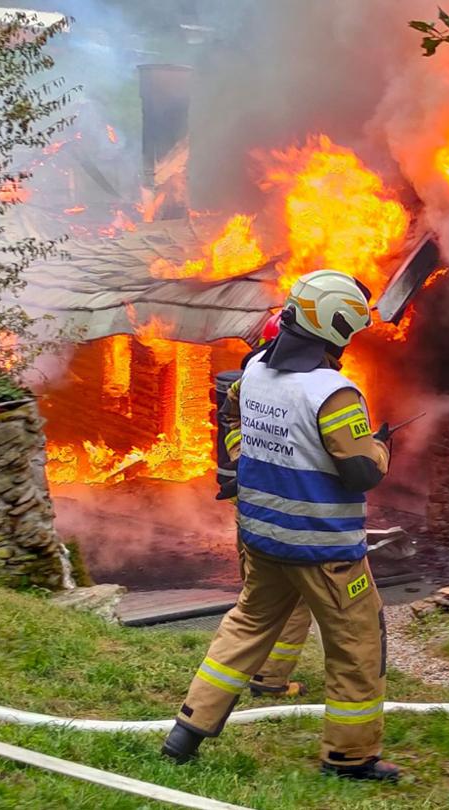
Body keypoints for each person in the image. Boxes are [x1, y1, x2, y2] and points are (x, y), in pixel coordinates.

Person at [164, 269, 399, 781]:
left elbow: (238, 433)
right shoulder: (333, 393)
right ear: (336, 327)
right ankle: (349, 758)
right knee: (358, 646)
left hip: (264, 539)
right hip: (326, 554)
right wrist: (382, 447)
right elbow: (362, 470)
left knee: (246, 626)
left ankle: (187, 730)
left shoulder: (252, 374)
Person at [211, 309, 312, 699]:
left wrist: (242, 463)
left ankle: (226, 681)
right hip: (282, 513)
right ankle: (270, 678)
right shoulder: (296, 391)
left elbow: (234, 428)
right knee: (292, 600)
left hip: (249, 507)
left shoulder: (250, 384)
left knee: (255, 597)